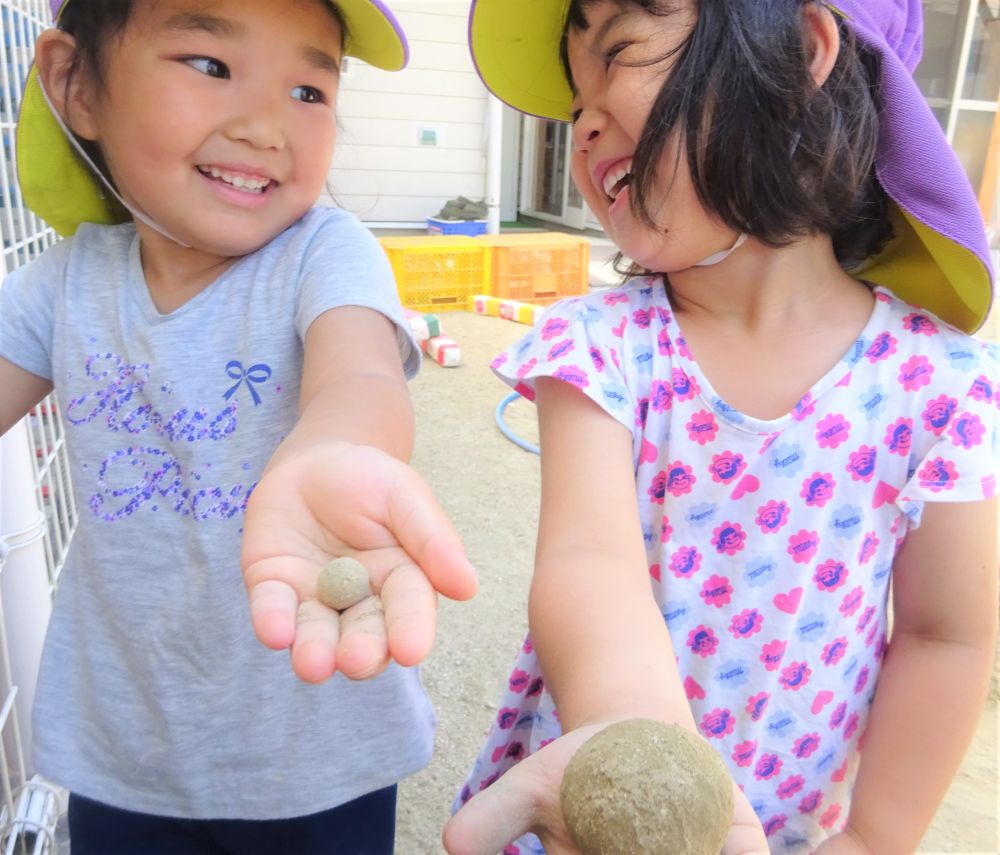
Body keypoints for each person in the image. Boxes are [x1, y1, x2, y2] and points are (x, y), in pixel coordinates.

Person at [444, 1, 999, 853]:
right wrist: (641, 751)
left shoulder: (939, 385)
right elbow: (590, 563)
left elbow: (943, 634)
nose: (584, 125)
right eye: (573, 102)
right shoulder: (602, 347)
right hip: (590, 799)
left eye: (619, 50)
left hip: (780, 829)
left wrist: (875, 837)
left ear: (798, 55)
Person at [0, 0, 477, 852]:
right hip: (126, 752)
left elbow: (360, 369)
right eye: (211, 66)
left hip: (319, 749)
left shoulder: (326, 252)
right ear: (77, 84)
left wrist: (338, 447)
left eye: (308, 88)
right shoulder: (62, 287)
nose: (265, 127)